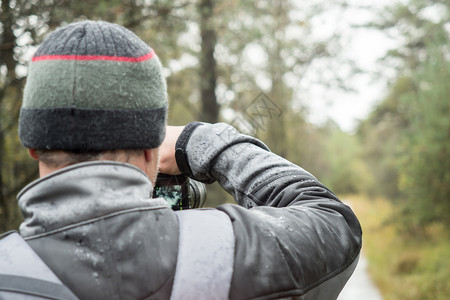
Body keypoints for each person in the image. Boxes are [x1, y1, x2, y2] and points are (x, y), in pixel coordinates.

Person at [12, 20, 362, 299]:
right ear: (152, 147)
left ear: (32, 147)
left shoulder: (9, 269)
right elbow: (334, 222)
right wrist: (198, 141)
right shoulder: (224, 254)